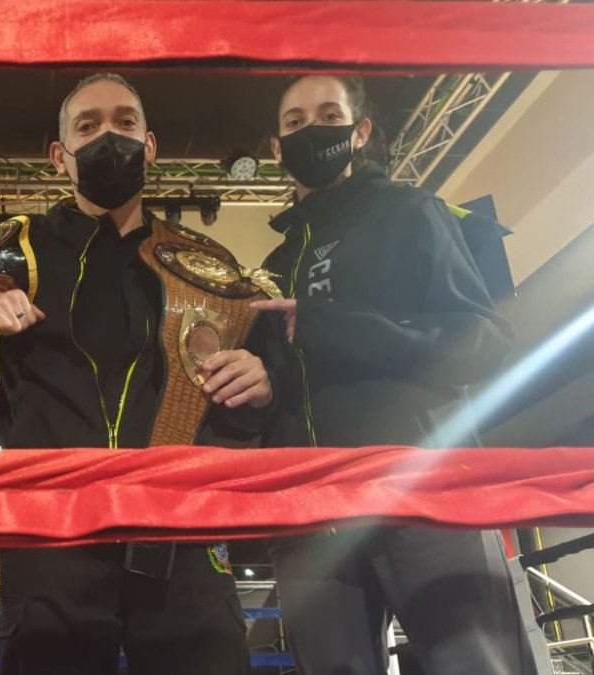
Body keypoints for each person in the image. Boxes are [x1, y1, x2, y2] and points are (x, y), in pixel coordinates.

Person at [0, 73, 270, 675]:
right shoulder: (17, 248)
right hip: (51, 531)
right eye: (87, 127)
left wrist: (260, 380)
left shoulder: (206, 263)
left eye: (123, 122)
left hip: (180, 531)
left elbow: (266, 369)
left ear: (149, 145)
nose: (108, 137)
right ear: (59, 157)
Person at [252, 74, 544, 674]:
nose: (313, 129)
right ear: (276, 148)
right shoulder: (274, 265)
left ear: (359, 132)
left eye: (328, 114)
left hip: (423, 490)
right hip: (314, 514)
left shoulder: (412, 212)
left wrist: (329, 325)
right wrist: (260, 383)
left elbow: (484, 342)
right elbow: (289, 383)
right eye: (295, 121)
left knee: (477, 666)